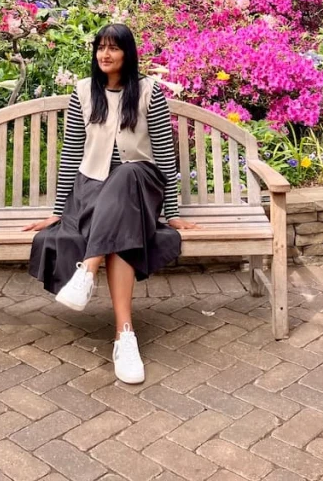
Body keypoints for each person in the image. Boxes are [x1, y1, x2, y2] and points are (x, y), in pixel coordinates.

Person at [24, 22, 201, 384]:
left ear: (127, 53)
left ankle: (86, 271)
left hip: (142, 185)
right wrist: (59, 211)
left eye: (113, 48)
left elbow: (165, 154)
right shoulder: (84, 93)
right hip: (94, 191)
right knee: (121, 232)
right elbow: (73, 152)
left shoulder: (150, 92)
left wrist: (173, 212)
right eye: (100, 48)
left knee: (129, 173)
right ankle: (125, 336)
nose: (105, 54)